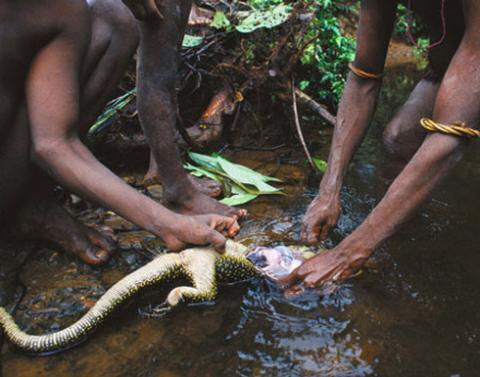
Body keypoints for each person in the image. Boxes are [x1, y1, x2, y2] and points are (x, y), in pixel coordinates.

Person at [0, 0, 244, 268]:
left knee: (113, 18)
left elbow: (54, 144)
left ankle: (29, 206)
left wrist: (169, 223)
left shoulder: (60, 9)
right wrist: (168, 223)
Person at [286, 0, 478, 287]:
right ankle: (390, 255)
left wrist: (346, 254)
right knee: (399, 138)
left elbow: (449, 133)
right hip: (448, 67)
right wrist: (328, 191)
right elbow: (364, 77)